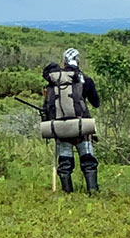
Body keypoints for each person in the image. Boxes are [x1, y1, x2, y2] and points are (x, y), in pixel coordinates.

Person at [43, 48, 100, 195]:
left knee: (65, 161)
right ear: (78, 61)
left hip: (61, 126)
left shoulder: (55, 82)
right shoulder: (86, 80)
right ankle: (92, 191)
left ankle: (67, 193)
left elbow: (48, 105)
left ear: (64, 62)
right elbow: (96, 103)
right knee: (87, 160)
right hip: (82, 126)